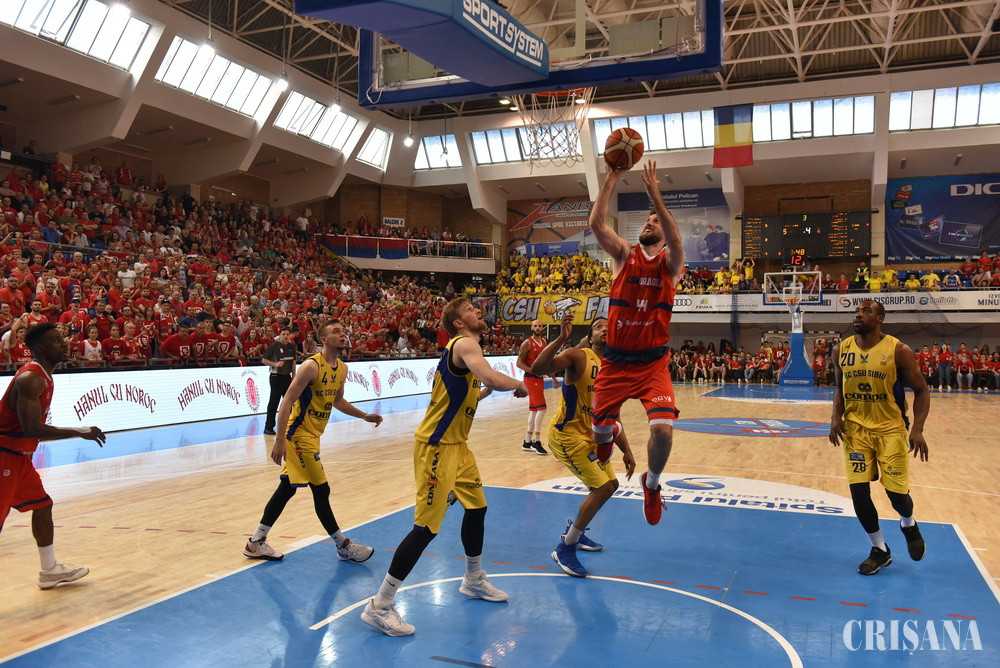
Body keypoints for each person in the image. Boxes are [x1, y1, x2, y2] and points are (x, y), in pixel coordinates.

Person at [361, 298, 528, 637]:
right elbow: (492, 378)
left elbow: (466, 392)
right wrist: (519, 384)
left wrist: (484, 392)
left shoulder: (465, 349)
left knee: (477, 508)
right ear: (458, 323)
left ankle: (473, 579)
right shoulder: (464, 343)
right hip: (437, 447)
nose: (477, 311)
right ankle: (380, 605)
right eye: (469, 309)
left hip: (458, 447)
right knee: (426, 528)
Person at [588, 160, 684, 526]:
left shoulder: (671, 264)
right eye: (648, 219)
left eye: (656, 221)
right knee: (600, 435)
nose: (650, 222)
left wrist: (656, 196)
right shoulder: (623, 254)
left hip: (652, 364)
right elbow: (596, 224)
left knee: (663, 432)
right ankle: (608, 432)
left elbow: (676, 240)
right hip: (615, 361)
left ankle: (652, 483)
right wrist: (611, 177)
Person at [243, 319, 382, 562]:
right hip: (298, 435)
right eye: (336, 331)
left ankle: (256, 542)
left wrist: (363, 415)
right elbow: (287, 401)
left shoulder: (342, 368)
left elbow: (337, 400)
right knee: (321, 489)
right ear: (324, 340)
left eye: (344, 331)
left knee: (287, 489)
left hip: (313, 436)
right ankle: (343, 546)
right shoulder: (311, 366)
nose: (343, 334)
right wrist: (279, 439)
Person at [1, 323, 106, 588]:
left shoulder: (44, 377)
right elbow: (32, 428)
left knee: (42, 505)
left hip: (19, 457)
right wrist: (81, 431)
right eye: (57, 340)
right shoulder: (30, 378)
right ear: (39, 347)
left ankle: (49, 571)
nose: (64, 343)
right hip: (3, 456)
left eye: (63, 339)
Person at [530, 313, 635, 577]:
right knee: (601, 488)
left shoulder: (616, 369)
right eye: (598, 327)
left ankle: (574, 532)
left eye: (609, 327)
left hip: (590, 436)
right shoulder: (578, 356)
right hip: (566, 434)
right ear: (590, 336)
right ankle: (565, 548)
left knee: (611, 485)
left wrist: (628, 452)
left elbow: (614, 415)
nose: (605, 330)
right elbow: (538, 368)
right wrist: (562, 338)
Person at [829, 300, 929, 575]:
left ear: (880, 318)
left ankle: (908, 523)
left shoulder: (899, 350)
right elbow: (838, 387)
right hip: (856, 431)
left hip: (890, 429)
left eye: (866, 311)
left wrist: (917, 429)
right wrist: (835, 417)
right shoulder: (840, 349)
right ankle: (879, 549)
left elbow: (922, 390)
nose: (858, 315)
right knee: (859, 492)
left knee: (897, 495)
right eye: (857, 311)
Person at [515, 319, 559, 455]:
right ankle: (536, 441)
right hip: (530, 378)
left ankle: (527, 442)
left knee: (534, 411)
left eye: (540, 326)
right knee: (542, 409)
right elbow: (518, 363)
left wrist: (553, 378)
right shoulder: (527, 343)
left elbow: (546, 363)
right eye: (535, 326)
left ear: (542, 328)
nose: (538, 328)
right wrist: (533, 371)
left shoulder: (544, 342)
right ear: (531, 328)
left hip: (539, 379)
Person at [261, 328, 297, 435]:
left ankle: (289, 425)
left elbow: (293, 362)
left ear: (289, 335)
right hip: (276, 377)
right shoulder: (274, 346)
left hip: (287, 377)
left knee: (289, 402)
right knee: (274, 401)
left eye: (287, 334)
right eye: (283, 334)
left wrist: (294, 375)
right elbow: (264, 360)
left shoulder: (291, 347)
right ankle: (268, 427)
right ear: (279, 335)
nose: (285, 336)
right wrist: (275, 364)